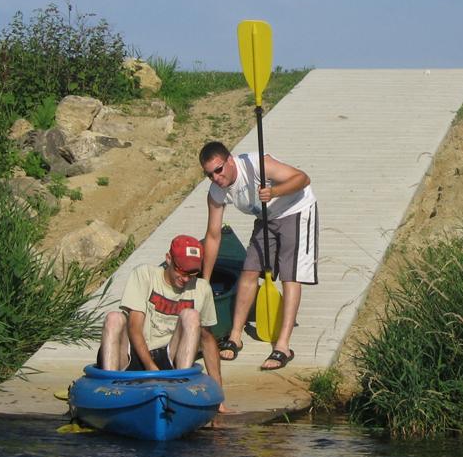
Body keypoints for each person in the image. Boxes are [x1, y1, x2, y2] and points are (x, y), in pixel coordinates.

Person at [199, 141, 318, 371]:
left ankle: (282, 346)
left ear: (230, 161)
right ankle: (235, 336)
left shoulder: (257, 165)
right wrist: (205, 280)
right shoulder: (216, 192)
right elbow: (213, 236)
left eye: (218, 169)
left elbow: (303, 178)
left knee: (289, 275)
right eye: (209, 174)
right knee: (249, 269)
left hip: (296, 209)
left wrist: (274, 191)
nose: (215, 177)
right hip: (267, 217)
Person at [97, 234, 227, 413]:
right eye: (181, 270)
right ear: (168, 259)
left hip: (168, 357)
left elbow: (207, 340)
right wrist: (151, 369)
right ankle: (109, 392)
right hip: (133, 354)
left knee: (191, 316)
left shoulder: (202, 288)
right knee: (114, 318)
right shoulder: (145, 274)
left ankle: (183, 389)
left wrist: (218, 396)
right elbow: (134, 328)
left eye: (192, 273)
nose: (186, 278)